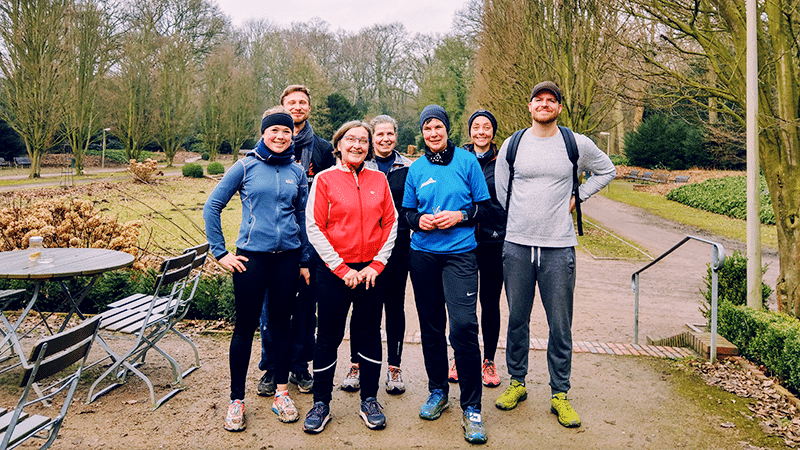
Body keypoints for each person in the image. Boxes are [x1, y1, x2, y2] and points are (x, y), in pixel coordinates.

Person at [494, 81, 616, 428]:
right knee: (517, 319)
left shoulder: (575, 143)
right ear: (529, 106)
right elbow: (503, 189)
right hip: (516, 244)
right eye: (538, 100)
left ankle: (559, 393)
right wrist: (521, 216)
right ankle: (516, 383)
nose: (544, 105)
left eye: (551, 101)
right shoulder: (513, 144)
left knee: (559, 324)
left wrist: (581, 196)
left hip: (559, 247)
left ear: (559, 108)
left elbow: (607, 170)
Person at [203, 107, 311, 431]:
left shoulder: (296, 171)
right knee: (245, 328)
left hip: (288, 259)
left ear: (293, 135)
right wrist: (220, 253)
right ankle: (236, 400)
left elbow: (302, 219)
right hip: (251, 259)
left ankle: (281, 393)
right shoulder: (245, 166)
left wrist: (305, 260)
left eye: (286, 131)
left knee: (281, 327)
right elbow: (212, 206)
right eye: (274, 131)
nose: (280, 136)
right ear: (264, 133)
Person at [401, 105, 491, 444]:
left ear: (447, 130)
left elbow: (485, 207)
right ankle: (437, 390)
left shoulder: (467, 162)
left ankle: (472, 407)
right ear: (422, 133)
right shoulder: (416, 168)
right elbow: (407, 211)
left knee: (464, 326)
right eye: (427, 128)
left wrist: (460, 216)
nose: (433, 133)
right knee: (431, 326)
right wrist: (417, 221)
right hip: (423, 255)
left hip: (460, 255)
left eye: (438, 126)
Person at [302, 121, 398, 434]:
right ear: (339, 144)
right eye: (351, 139)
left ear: (369, 148)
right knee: (328, 334)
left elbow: (390, 223)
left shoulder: (379, 179)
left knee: (369, 332)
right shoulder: (325, 179)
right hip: (333, 272)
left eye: (363, 141)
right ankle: (321, 402)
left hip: (372, 272)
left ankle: (370, 399)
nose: (357, 145)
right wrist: (342, 269)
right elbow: (315, 226)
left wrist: (377, 265)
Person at [257, 85, 336, 397]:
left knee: (305, 307)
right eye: (291, 102)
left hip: (312, 239)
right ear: (282, 106)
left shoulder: (324, 149)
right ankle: (272, 368)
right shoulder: (266, 143)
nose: (297, 106)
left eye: (303, 102)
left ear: (309, 107)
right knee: (270, 309)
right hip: (272, 242)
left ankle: (301, 365)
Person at [337, 115, 412, 395]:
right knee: (363, 310)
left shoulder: (408, 167)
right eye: (379, 134)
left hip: (397, 247)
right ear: (371, 138)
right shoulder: (358, 165)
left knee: (394, 306)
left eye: (390, 134)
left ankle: (395, 367)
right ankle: (356, 364)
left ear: (396, 135)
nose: (385, 139)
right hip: (364, 249)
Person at [450, 109, 505, 389]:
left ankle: (489, 360)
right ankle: (461, 358)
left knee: (490, 302)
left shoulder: (504, 161)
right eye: (476, 127)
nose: (481, 131)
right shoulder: (458, 158)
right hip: (463, 241)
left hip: (494, 241)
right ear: (469, 130)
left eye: (486, 127)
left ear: (493, 131)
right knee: (463, 304)